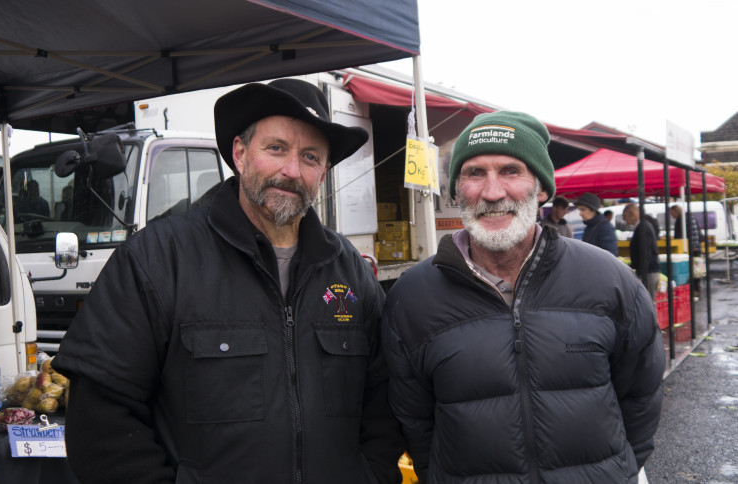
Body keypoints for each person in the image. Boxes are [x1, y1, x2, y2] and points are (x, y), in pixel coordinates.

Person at [52, 79, 404, 483]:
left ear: (323, 172)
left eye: (310, 156)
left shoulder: (352, 273)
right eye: (276, 148)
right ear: (240, 153)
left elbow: (384, 409)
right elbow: (100, 422)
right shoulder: (156, 260)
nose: (291, 170)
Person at [382, 111, 664, 483]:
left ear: (542, 188)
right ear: (456, 190)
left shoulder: (608, 279)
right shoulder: (413, 296)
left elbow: (641, 396)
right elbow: (414, 421)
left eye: (511, 171)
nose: (492, 192)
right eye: (474, 173)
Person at [624, 203, 661, 300]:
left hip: (649, 272)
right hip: (648, 271)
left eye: (625, 216)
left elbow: (646, 253)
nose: (624, 220)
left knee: (647, 302)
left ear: (631, 213)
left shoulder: (643, 227)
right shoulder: (642, 226)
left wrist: (641, 273)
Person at [577, 191, 618, 255]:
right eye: (579, 210)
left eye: (583, 210)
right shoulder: (590, 225)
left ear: (593, 209)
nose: (580, 214)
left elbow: (611, 255)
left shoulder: (605, 227)